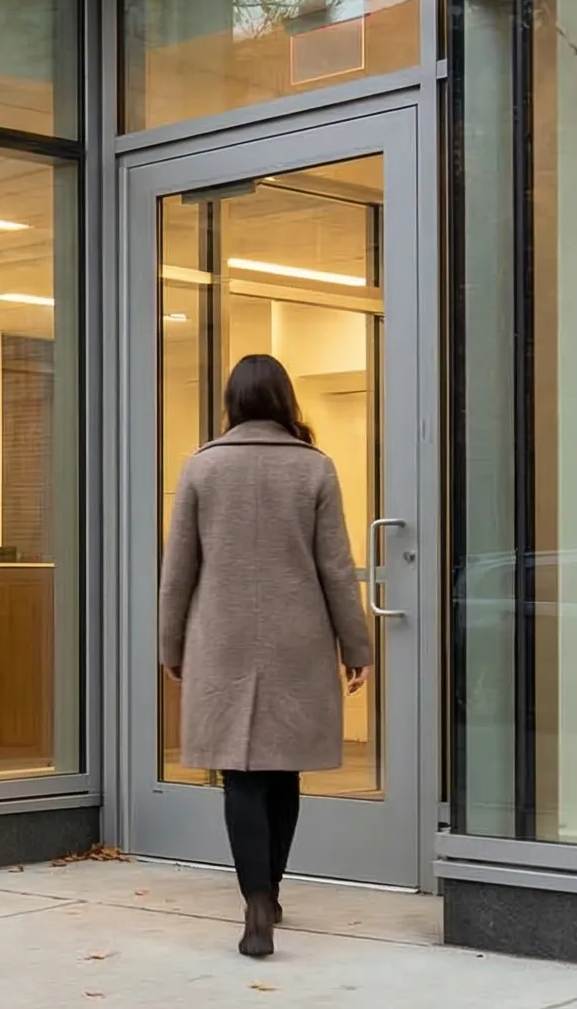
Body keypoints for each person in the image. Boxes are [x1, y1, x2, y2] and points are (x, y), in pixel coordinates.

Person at [158, 353, 373, 960]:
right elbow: (335, 568)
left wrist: (171, 646)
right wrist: (357, 646)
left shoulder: (202, 467)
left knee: (240, 773)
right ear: (284, 401)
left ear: (233, 401)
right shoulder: (315, 469)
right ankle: (271, 892)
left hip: (220, 640)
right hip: (297, 640)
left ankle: (254, 899)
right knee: (284, 771)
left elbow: (178, 572)